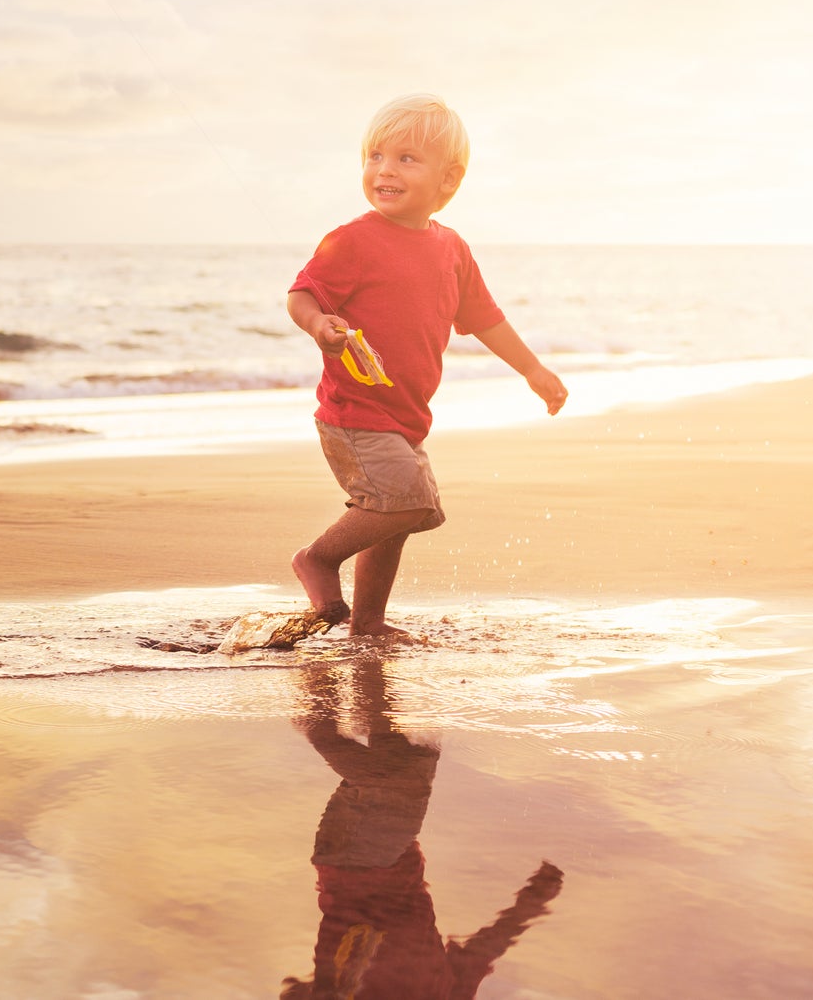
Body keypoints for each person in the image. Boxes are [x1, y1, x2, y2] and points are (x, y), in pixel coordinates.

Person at [287, 93, 566, 638]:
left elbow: (485, 318)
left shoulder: (451, 250)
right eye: (375, 156)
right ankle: (317, 559)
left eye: (406, 159)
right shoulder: (352, 240)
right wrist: (320, 326)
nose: (385, 170)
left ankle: (368, 623)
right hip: (353, 412)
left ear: (449, 179)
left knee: (397, 518)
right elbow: (302, 295)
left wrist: (533, 370)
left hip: (406, 414)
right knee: (404, 501)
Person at [280, 659, 565, 1000]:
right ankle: (356, 658)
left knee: (402, 777)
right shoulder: (449, 993)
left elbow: (296, 995)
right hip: (377, 856)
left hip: (361, 866)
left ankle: (310, 683)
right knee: (411, 749)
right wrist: (533, 900)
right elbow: (486, 948)